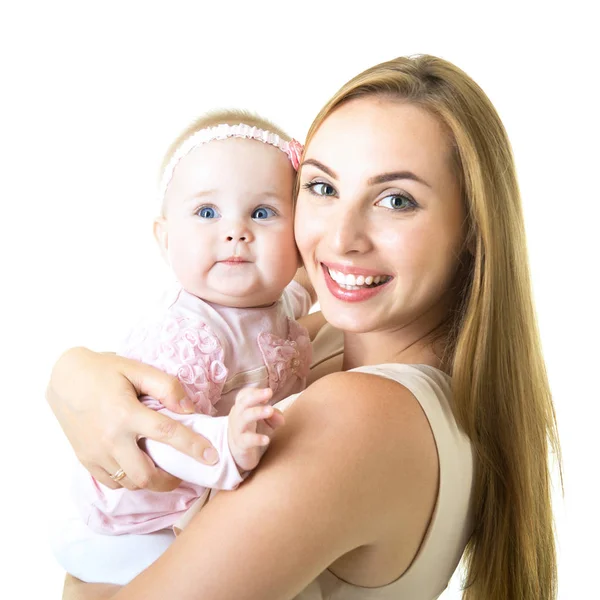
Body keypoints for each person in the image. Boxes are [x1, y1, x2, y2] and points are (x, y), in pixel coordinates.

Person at [47, 54, 561, 600]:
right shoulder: (319, 342)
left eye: (396, 200)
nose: (341, 239)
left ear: (472, 232)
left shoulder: (358, 413)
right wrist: (74, 371)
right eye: (322, 187)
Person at [50, 109, 318, 584]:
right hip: (132, 524)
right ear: (165, 237)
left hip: (190, 509)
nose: (235, 231)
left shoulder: (278, 302)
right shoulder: (186, 334)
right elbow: (155, 433)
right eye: (207, 212)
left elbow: (299, 293)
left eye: (262, 212)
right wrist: (225, 445)